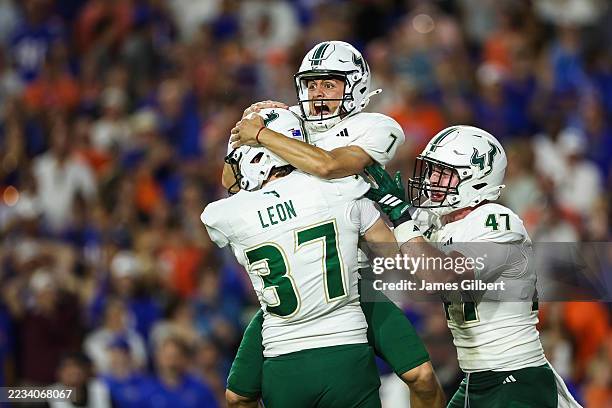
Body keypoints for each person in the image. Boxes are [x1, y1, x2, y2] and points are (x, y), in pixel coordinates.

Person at [224, 41, 444, 407]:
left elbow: (330, 165)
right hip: (292, 284)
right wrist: (247, 127)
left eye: (329, 84)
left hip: (352, 281)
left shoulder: (375, 126)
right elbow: (231, 180)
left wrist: (262, 135)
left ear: (356, 86)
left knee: (422, 377)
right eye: (311, 84)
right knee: (235, 396)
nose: (317, 93)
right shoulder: (287, 121)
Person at [365, 125, 582, 408]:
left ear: (476, 180)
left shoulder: (498, 221)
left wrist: (403, 220)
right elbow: (397, 250)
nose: (431, 180)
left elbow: (437, 275)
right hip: (478, 378)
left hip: (514, 376)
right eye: (431, 171)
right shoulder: (442, 224)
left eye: (442, 173)